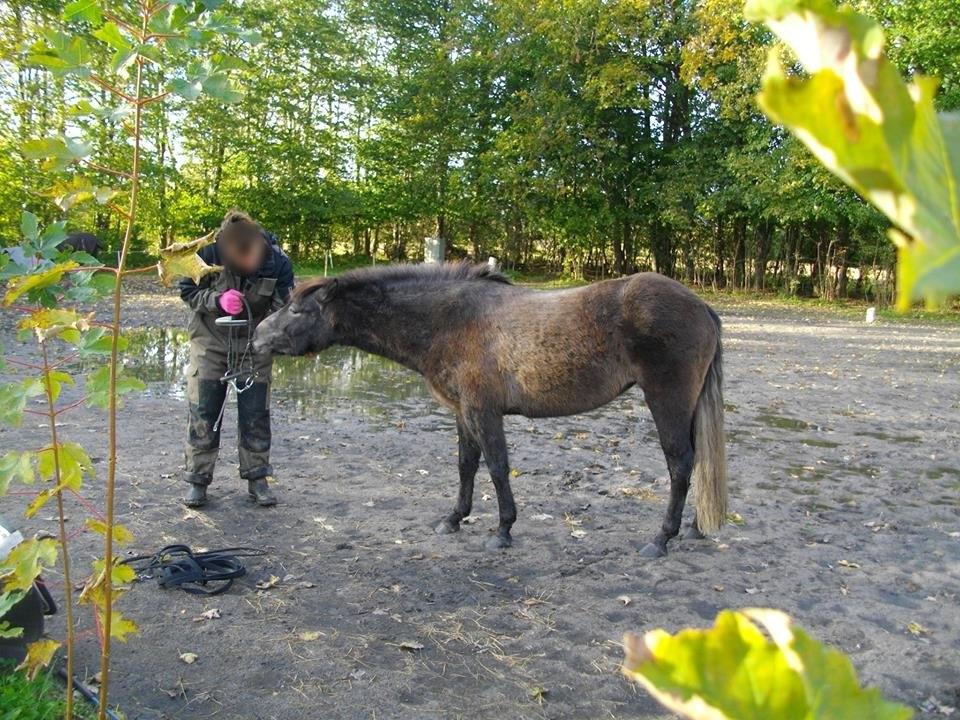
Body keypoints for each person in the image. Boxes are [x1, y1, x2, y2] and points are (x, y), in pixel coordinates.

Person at [178, 210, 294, 508]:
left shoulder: (277, 262)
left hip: (255, 344)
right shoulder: (205, 254)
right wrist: (217, 301)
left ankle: (257, 478)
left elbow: (285, 308)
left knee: (256, 412)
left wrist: (274, 333)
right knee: (203, 409)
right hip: (210, 341)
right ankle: (197, 480)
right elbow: (188, 292)